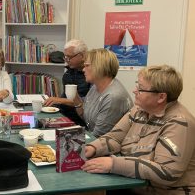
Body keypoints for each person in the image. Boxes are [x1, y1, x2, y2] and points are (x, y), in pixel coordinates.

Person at [82, 65, 195, 195]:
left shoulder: (179, 122)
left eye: (141, 89)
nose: (134, 91)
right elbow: (115, 138)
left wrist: (113, 164)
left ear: (161, 97)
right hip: (131, 185)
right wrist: (92, 148)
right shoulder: (139, 110)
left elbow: (166, 172)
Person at [74, 48, 133, 137]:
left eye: (87, 65)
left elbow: (99, 137)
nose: (83, 70)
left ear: (99, 67)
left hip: (107, 147)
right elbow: (87, 118)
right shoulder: (95, 87)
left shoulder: (113, 97)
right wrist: (76, 99)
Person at [44, 39, 91, 126]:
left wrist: (59, 100)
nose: (66, 60)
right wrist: (53, 104)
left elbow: (88, 103)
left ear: (83, 56)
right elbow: (65, 98)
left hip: (82, 120)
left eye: (69, 57)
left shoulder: (92, 75)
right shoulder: (68, 73)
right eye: (65, 57)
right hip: (65, 117)